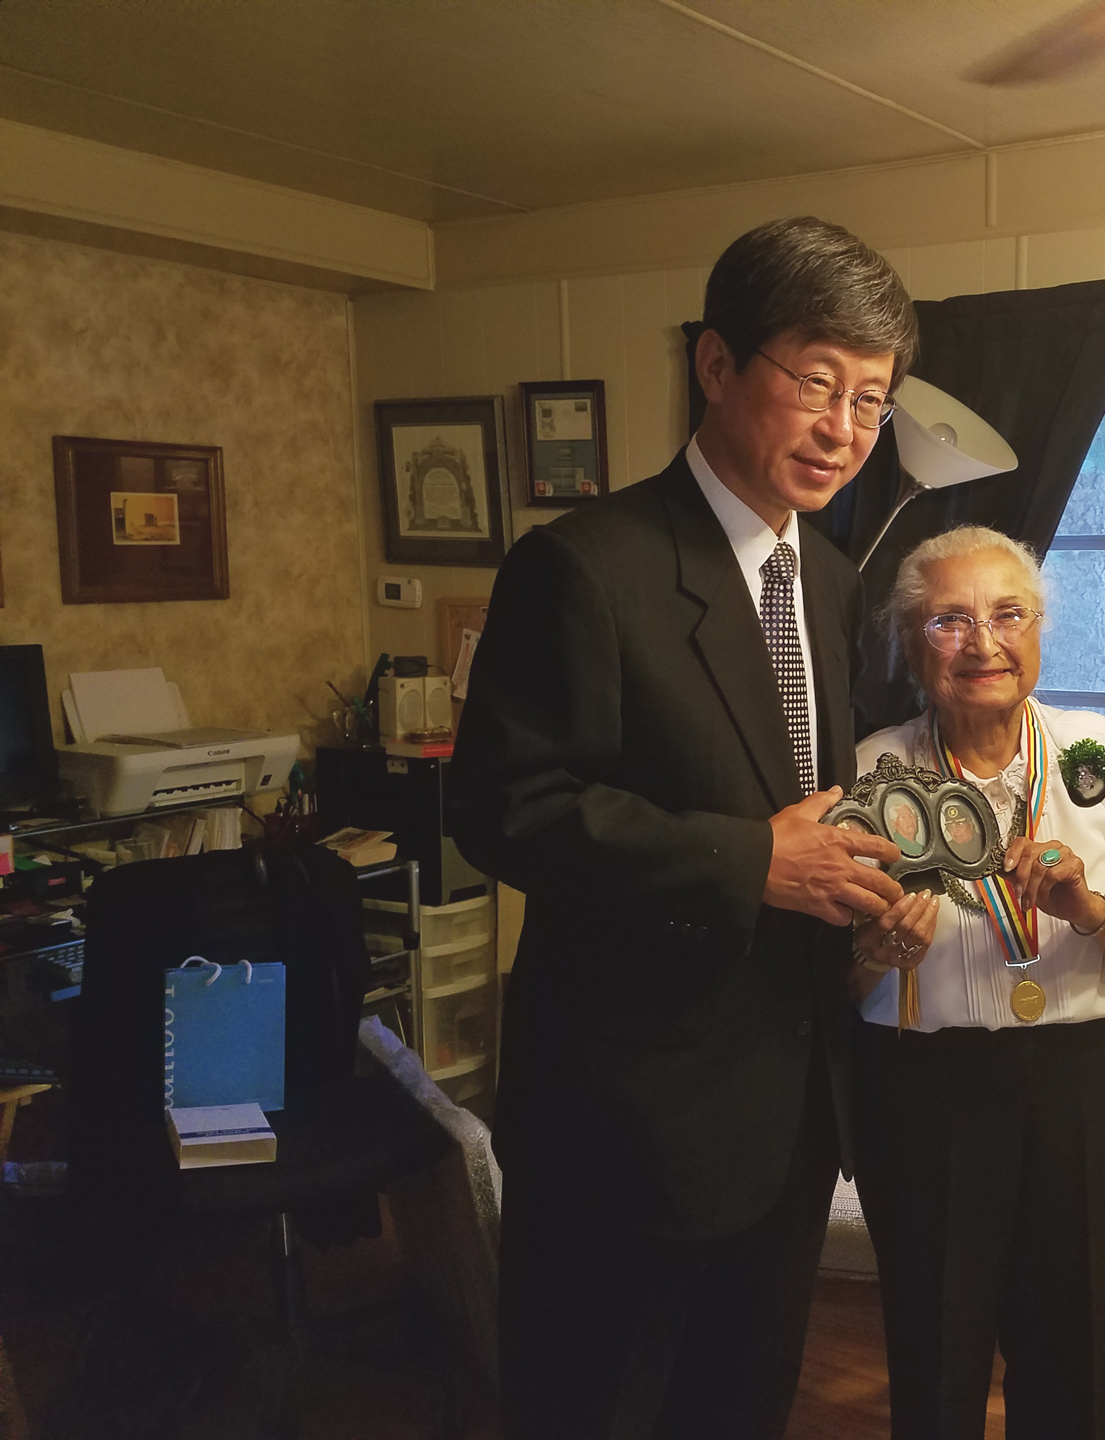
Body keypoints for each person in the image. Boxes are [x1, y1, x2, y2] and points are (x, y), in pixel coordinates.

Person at [450, 215, 932, 1440]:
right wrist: (756, 860)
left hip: (790, 1108)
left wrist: (867, 889)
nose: (844, 429)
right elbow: (506, 809)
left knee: (739, 1407)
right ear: (716, 363)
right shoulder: (584, 565)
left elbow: (804, 794)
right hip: (626, 1117)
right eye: (816, 381)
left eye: (870, 400)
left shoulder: (829, 578)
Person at [850, 525, 1105, 1439]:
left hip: (1083, 1075)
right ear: (911, 641)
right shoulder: (870, 769)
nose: (983, 643)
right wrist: (879, 950)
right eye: (949, 620)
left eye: (1008, 615)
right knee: (934, 1338)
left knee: (1070, 1339)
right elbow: (829, 981)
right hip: (923, 1086)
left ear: (1039, 629)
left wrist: (1090, 909)